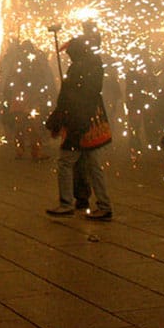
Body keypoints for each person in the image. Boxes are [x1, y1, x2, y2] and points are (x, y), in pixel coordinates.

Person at [44, 36, 114, 220]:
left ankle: (66, 203)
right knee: (93, 165)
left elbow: (70, 99)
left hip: (80, 122)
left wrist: (61, 121)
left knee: (65, 162)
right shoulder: (94, 65)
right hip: (93, 120)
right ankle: (104, 205)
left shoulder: (78, 69)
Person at [1, 39, 52, 161]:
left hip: (18, 98)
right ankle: (36, 152)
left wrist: (8, 95)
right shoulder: (33, 62)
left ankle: (20, 150)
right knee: (34, 125)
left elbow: (9, 81)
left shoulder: (16, 62)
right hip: (31, 97)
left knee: (20, 125)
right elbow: (41, 79)